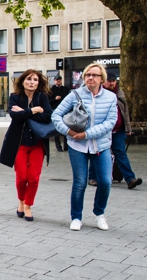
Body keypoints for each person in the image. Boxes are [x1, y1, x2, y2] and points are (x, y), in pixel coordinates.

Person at [51, 61, 118, 231]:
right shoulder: (75, 94)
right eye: (87, 75)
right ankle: (76, 217)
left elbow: (111, 122)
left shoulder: (111, 97)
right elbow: (56, 115)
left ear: (101, 78)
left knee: (105, 181)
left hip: (100, 146)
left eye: (94, 75)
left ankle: (99, 213)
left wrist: (87, 134)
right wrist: (69, 132)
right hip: (77, 146)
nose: (90, 78)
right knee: (80, 182)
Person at [0, 69, 52, 221]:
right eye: (29, 79)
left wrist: (25, 112)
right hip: (19, 143)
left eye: (35, 80)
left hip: (37, 143)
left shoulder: (43, 97)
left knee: (34, 178)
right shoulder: (15, 97)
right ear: (22, 81)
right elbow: (15, 115)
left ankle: (28, 205)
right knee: (22, 177)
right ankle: (21, 201)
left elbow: (48, 116)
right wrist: (34, 110)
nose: (32, 82)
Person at [103, 74, 142, 189]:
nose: (111, 83)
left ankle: (130, 179)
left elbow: (125, 112)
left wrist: (128, 128)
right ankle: (93, 177)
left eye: (113, 81)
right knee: (98, 153)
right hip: (104, 131)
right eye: (109, 81)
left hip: (118, 130)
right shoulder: (100, 94)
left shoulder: (120, 93)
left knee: (121, 154)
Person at [49, 75, 70, 152]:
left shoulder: (66, 89)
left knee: (66, 127)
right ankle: (58, 146)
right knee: (57, 128)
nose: (58, 81)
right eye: (57, 80)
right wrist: (55, 99)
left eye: (59, 79)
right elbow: (48, 102)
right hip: (55, 110)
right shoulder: (51, 90)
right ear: (54, 81)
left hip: (65, 110)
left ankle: (66, 145)